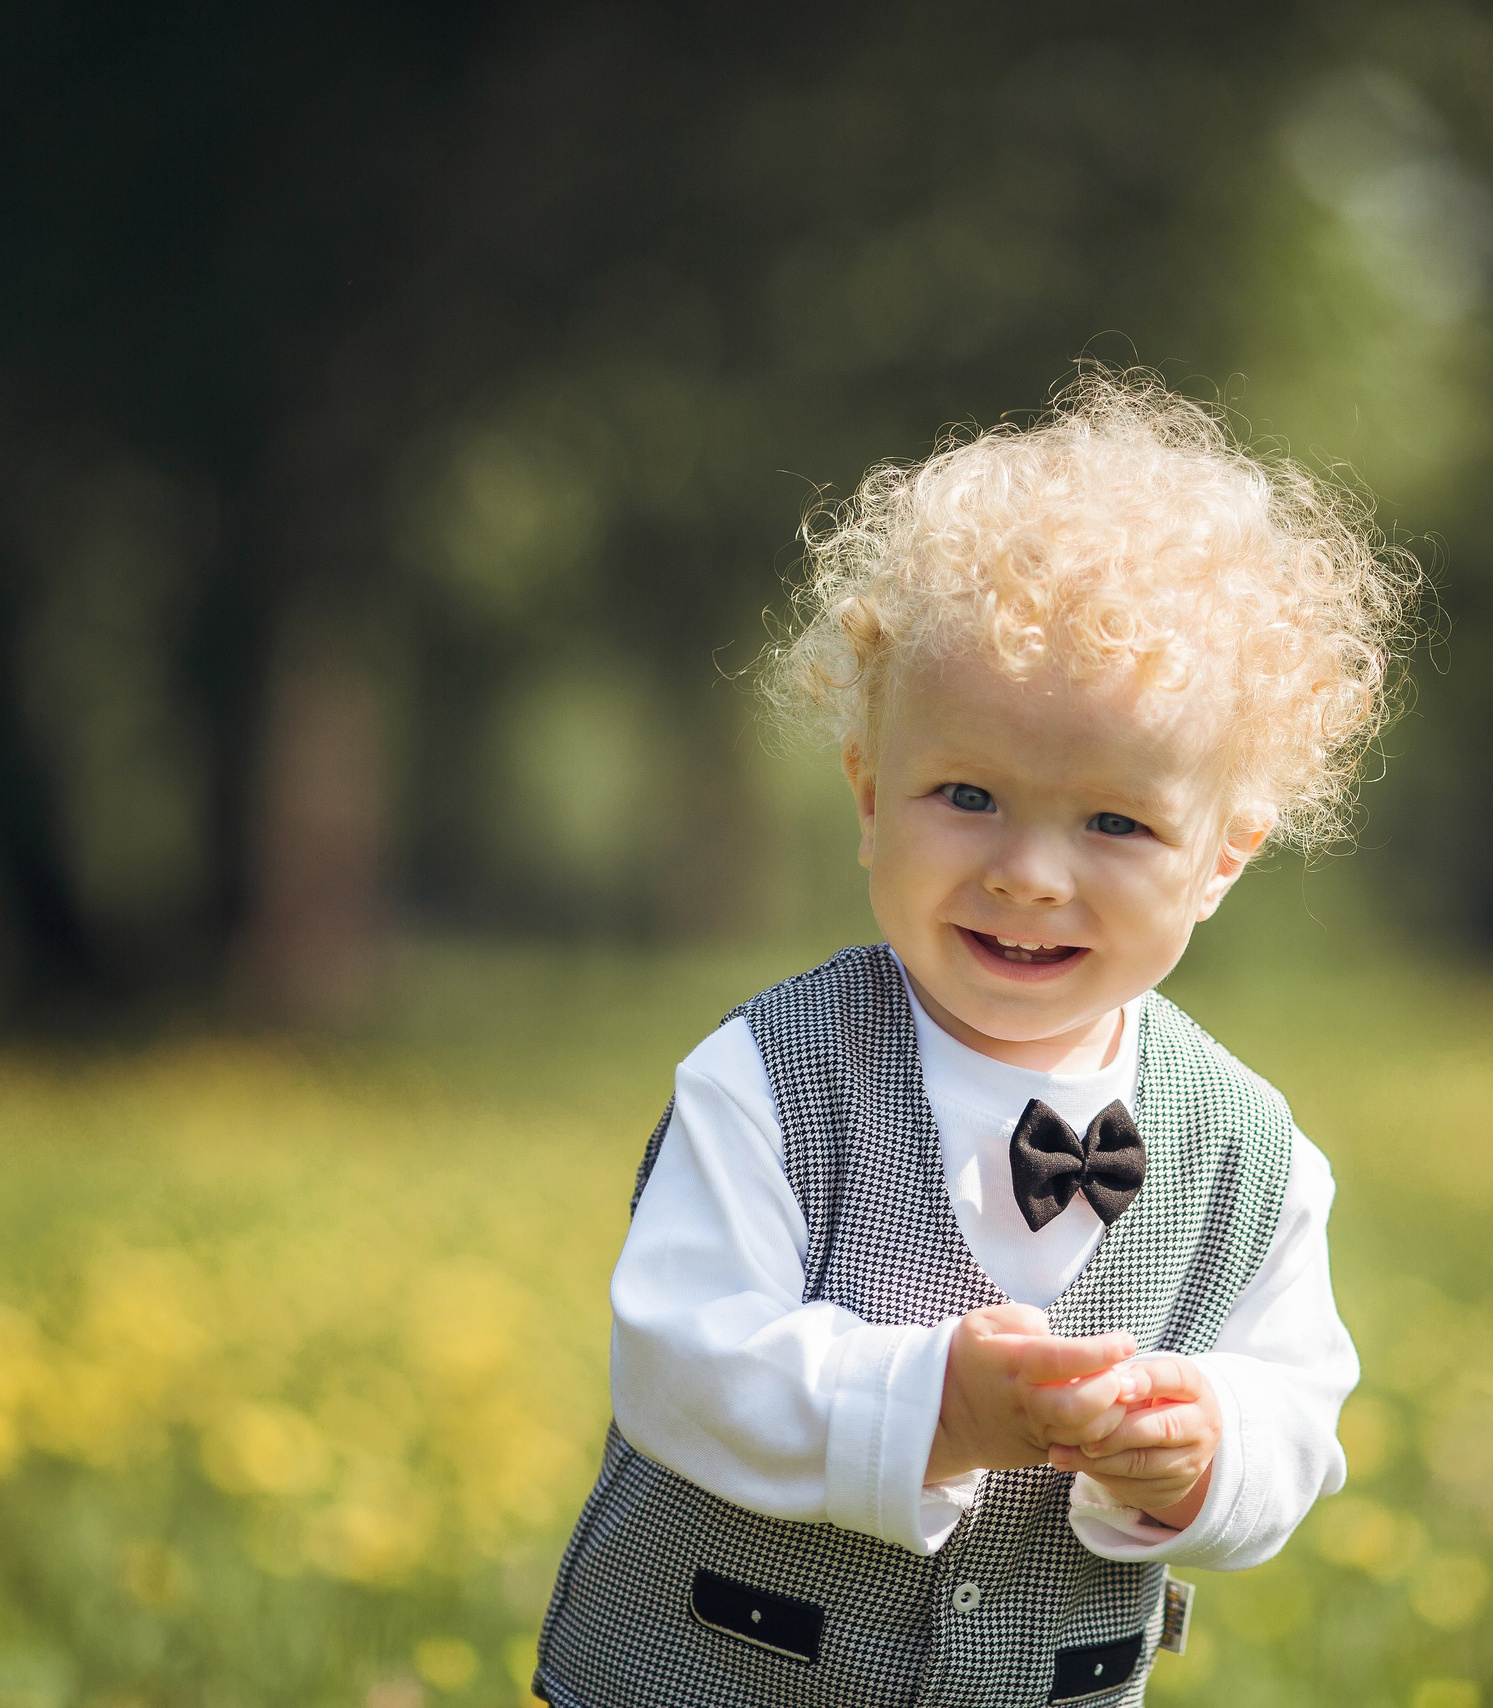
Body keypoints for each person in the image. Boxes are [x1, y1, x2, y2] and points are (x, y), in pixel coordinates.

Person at [533, 370, 1414, 1707]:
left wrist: (1205, 1453)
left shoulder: (1252, 1152)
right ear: (870, 793)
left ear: (1226, 856)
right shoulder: (772, 1079)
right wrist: (927, 1409)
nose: (1032, 875)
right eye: (969, 797)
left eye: (1116, 824)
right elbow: (681, 1356)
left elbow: (1299, 1414)